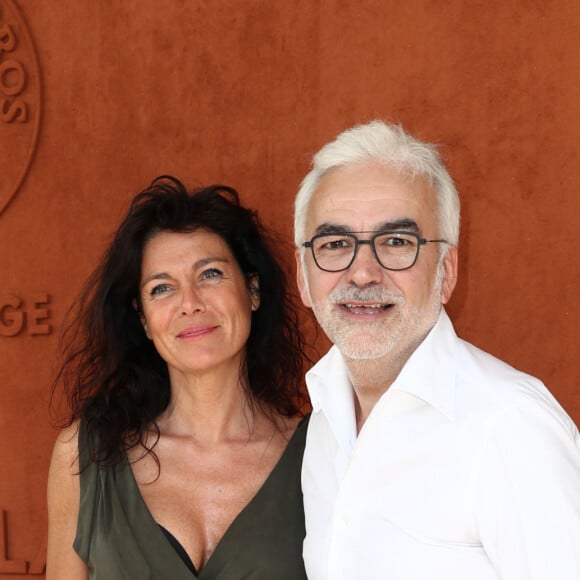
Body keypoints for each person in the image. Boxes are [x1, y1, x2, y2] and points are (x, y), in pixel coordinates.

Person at [293, 120, 580, 580]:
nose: (363, 273)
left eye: (396, 242)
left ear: (446, 272)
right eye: (335, 244)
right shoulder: (324, 421)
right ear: (304, 277)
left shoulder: (510, 426)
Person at [47, 175, 309, 579]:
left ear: (252, 291)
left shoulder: (322, 452)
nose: (190, 303)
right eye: (162, 288)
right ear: (144, 320)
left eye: (210, 274)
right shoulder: (83, 458)